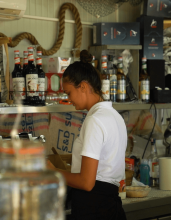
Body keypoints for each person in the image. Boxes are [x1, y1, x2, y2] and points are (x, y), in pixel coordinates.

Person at [47, 50, 127, 220]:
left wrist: (53, 172)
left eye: (69, 93)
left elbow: (86, 182)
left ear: (83, 86)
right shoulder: (115, 116)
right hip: (112, 206)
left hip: (94, 208)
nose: (68, 99)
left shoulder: (95, 121)